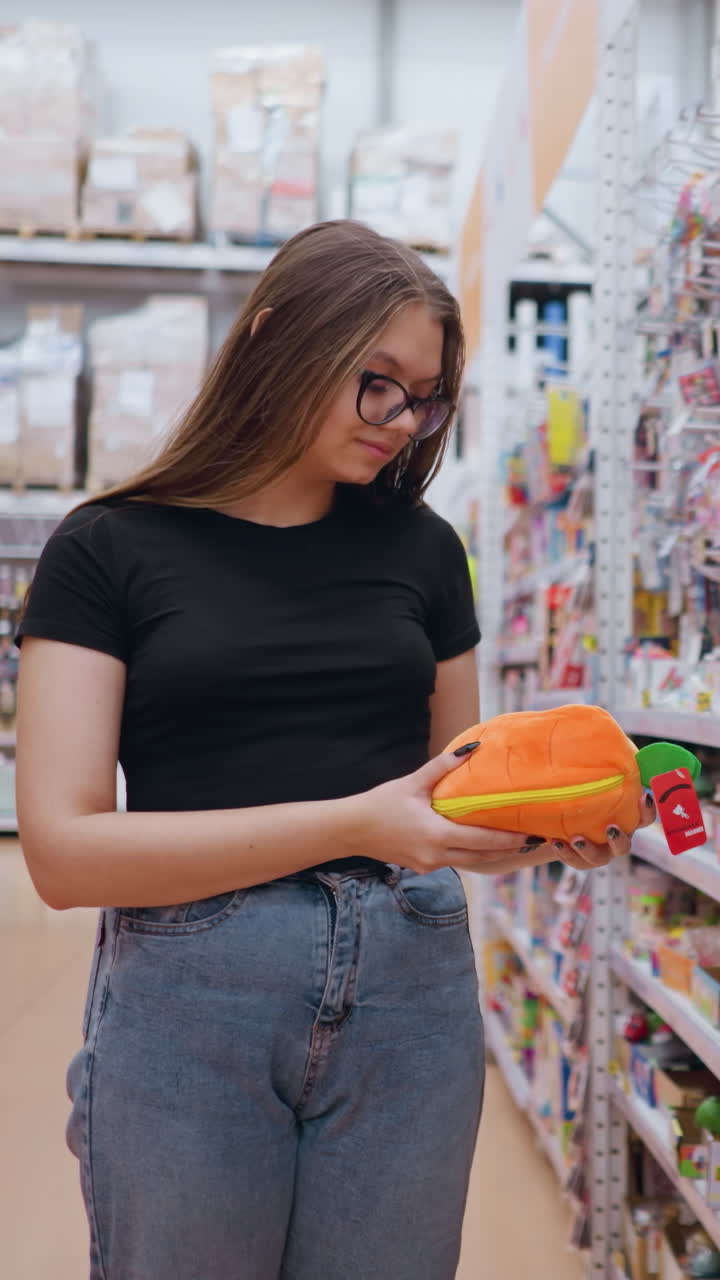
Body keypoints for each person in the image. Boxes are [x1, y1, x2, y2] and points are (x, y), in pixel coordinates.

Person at [15, 220, 653, 1280]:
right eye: (380, 382)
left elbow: (457, 791)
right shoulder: (107, 548)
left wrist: (544, 826)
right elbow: (63, 850)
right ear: (276, 334)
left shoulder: (424, 549)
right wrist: (361, 821)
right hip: (190, 993)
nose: (404, 421)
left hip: (412, 983)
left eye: (428, 395)